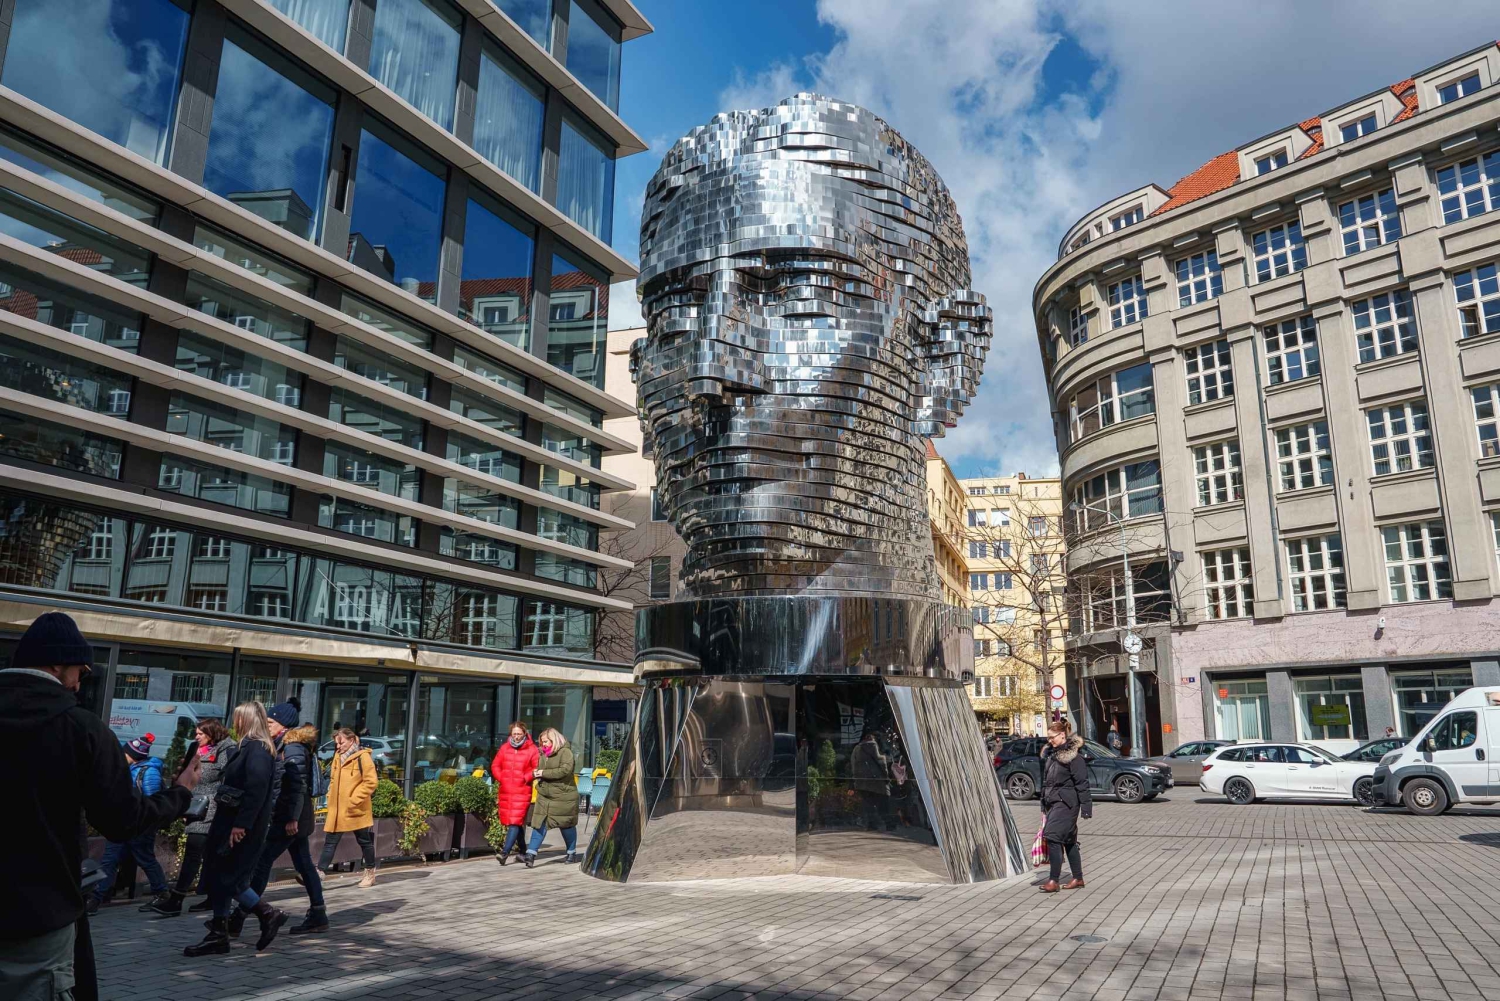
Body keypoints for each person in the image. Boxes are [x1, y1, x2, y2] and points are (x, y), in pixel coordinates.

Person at [0, 611, 198, 1001]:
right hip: (39, 916)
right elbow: (123, 821)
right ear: (57, 664)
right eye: (81, 671)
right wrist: (181, 793)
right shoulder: (82, 728)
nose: (79, 683)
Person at [183, 703, 286, 957]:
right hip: (230, 821)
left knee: (227, 877)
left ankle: (266, 914)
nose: (234, 723)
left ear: (247, 720)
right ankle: (221, 932)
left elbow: (256, 789)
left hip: (238, 825)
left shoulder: (258, 749)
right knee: (222, 876)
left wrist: (242, 824)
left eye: (238, 718)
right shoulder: (249, 746)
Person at [233, 703, 325, 936]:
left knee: (263, 861)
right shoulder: (282, 744)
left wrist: (292, 818)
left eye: (271, 722)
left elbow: (296, 786)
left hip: (288, 819)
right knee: (304, 865)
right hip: (290, 817)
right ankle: (318, 914)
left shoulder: (292, 748)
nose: (267, 726)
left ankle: (241, 915)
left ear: (284, 725)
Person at [149, 720, 235, 916]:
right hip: (193, 805)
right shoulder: (195, 748)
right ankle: (212, 898)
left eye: (200, 734)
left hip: (211, 808)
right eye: (196, 733)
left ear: (212, 733)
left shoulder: (227, 749)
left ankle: (177, 899)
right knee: (206, 855)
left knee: (194, 852)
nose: (196, 737)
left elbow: (227, 779)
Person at [87, 733, 173, 914]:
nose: (121, 755)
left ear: (134, 755)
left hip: (139, 826)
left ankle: (162, 894)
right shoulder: (128, 769)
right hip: (121, 822)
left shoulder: (149, 772)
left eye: (124, 753)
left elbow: (153, 803)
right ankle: (95, 898)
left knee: (145, 858)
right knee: (109, 860)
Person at [318, 727, 378, 887]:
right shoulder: (338, 756)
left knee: (364, 841)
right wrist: (330, 795)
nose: (338, 746)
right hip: (338, 809)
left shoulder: (363, 757)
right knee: (330, 841)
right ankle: (318, 874)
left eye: (341, 743)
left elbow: (371, 782)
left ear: (351, 740)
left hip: (355, 808)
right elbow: (333, 779)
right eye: (336, 744)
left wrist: (354, 799)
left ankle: (370, 872)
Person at [1038, 719, 1091, 893]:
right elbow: (1047, 781)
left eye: (1052, 737)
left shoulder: (1074, 757)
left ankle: (1053, 880)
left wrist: (1086, 807)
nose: (1049, 740)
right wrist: (1043, 802)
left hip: (1067, 804)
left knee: (1052, 837)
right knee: (1068, 841)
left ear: (1062, 735)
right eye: (1048, 737)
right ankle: (1078, 878)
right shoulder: (1052, 755)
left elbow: (1082, 783)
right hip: (1053, 803)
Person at [523, 728, 580, 867]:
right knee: (539, 823)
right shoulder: (543, 754)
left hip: (563, 796)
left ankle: (571, 852)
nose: (544, 744)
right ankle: (530, 854)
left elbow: (565, 770)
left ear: (554, 740)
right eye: (542, 742)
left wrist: (543, 773)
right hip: (545, 795)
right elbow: (541, 770)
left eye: (546, 742)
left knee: (566, 825)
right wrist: (536, 773)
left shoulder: (565, 752)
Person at [490, 722, 539, 865]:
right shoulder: (505, 748)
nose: (516, 736)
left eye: (519, 734)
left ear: (524, 734)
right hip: (506, 790)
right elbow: (495, 765)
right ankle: (523, 851)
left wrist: (525, 778)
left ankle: (504, 853)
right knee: (515, 822)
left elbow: (537, 768)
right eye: (514, 734)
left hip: (522, 791)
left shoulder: (532, 749)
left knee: (514, 822)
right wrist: (502, 778)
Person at [851, 732, 893, 832]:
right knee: (883, 805)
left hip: (862, 782)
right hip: (878, 782)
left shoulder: (857, 749)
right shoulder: (874, 746)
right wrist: (886, 777)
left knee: (868, 805)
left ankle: (872, 825)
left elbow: (853, 765)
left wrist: (856, 779)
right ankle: (889, 824)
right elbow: (881, 763)